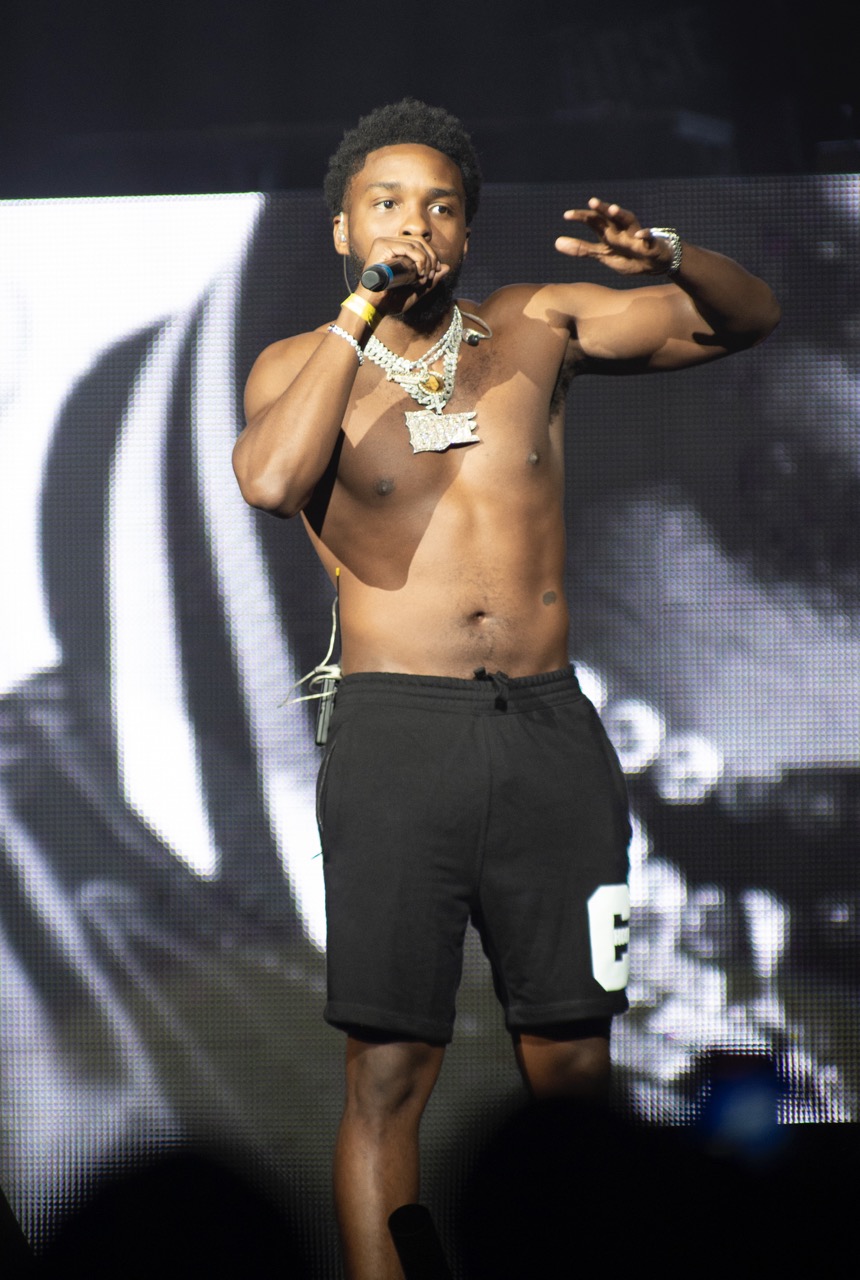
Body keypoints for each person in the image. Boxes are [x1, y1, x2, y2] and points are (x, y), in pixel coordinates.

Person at [232, 99, 780, 1279]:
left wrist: (669, 256)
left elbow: (744, 318)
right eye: (387, 202)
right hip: (398, 737)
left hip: (545, 733)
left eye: (439, 205)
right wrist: (360, 312)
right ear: (342, 228)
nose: (415, 222)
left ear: (467, 232)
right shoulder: (298, 365)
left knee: (574, 1061)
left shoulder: (534, 325)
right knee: (389, 1068)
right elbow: (271, 480)